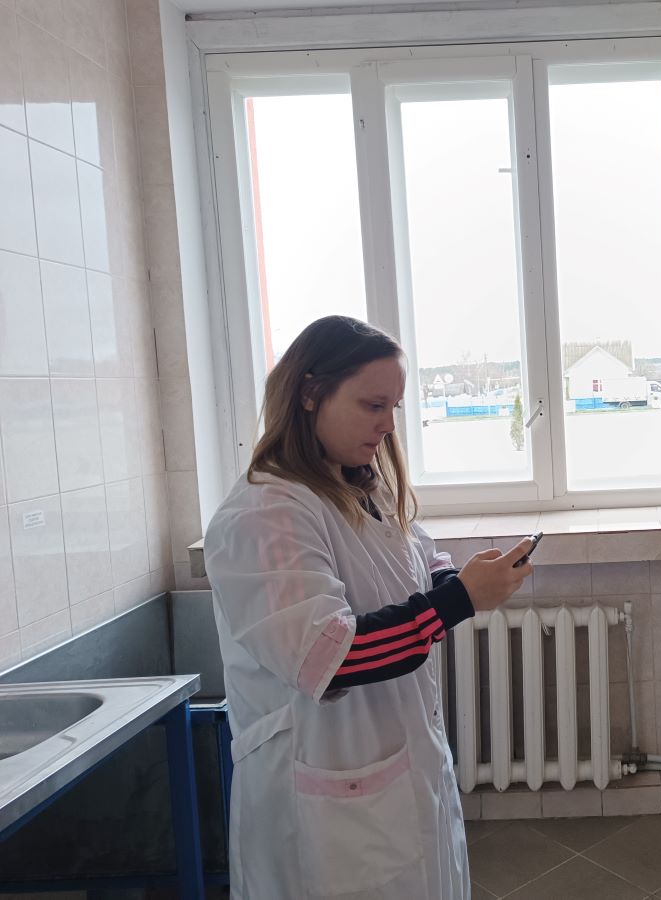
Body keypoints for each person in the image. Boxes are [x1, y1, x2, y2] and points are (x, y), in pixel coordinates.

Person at [205, 315, 533, 899]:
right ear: (310, 393)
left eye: (394, 407)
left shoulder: (361, 483)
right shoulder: (266, 513)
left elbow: (418, 562)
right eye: (372, 405)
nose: (388, 425)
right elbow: (330, 657)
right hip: (322, 792)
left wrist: (461, 580)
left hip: (395, 769)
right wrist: (460, 599)